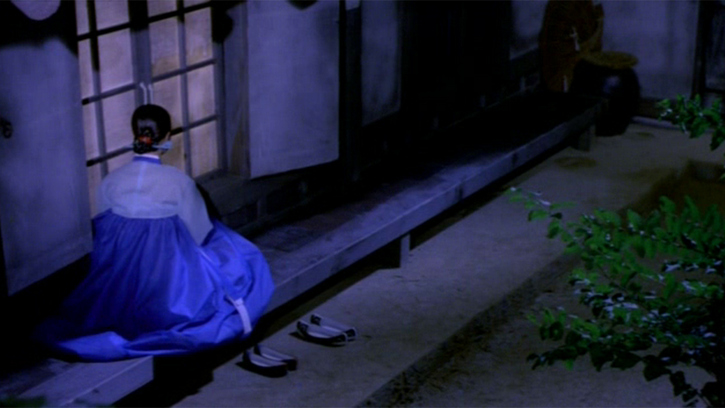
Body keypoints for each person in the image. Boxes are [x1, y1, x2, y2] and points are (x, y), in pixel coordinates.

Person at [35, 105, 275, 361]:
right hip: (166, 278)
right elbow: (199, 233)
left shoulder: (111, 181)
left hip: (119, 275)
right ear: (167, 137)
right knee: (240, 256)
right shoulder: (179, 183)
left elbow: (103, 232)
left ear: (135, 135)